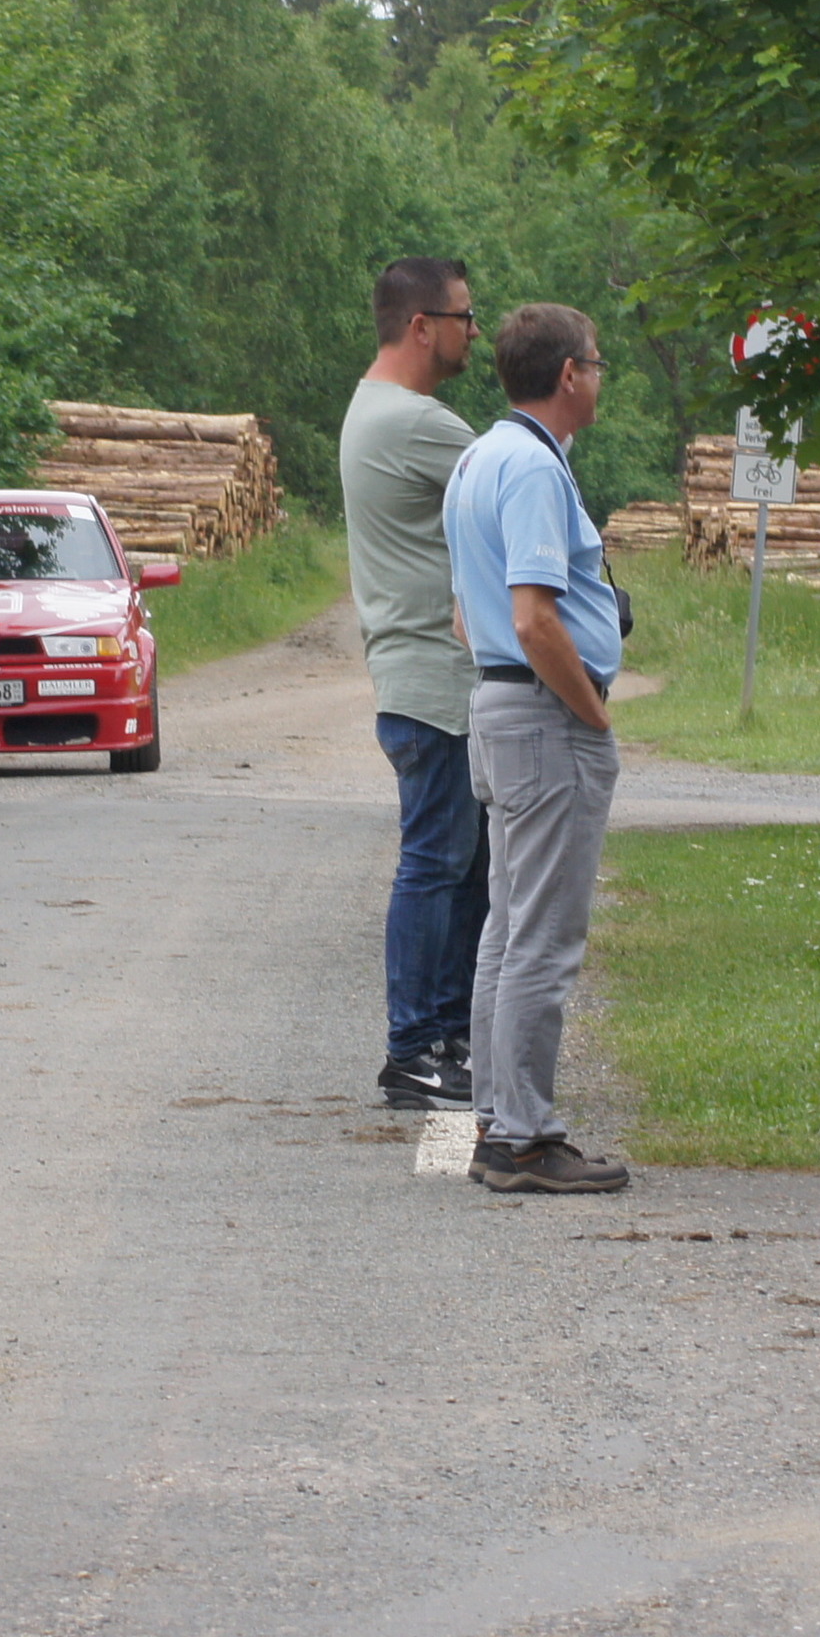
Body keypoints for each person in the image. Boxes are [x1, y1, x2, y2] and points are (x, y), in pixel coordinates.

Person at [442, 302, 629, 1192]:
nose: (600, 377)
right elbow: (532, 614)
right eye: (596, 363)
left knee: (507, 926)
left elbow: (464, 612)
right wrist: (591, 710)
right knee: (544, 937)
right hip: (545, 716)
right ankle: (525, 1136)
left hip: (500, 705)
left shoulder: (480, 455)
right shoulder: (532, 470)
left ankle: (492, 1120)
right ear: (567, 375)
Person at [341, 256, 489, 1113]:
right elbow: (521, 484)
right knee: (436, 863)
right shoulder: (415, 422)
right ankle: (412, 1050)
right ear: (422, 325)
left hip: (427, 675)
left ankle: (448, 1035)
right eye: (466, 316)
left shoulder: (377, 407)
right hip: (433, 677)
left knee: (459, 864)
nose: (476, 330)